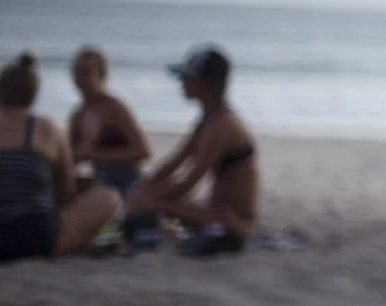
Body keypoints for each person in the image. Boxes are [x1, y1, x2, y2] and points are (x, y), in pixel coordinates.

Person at [127, 45, 259, 254]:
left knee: (156, 203)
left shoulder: (222, 125)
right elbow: (175, 160)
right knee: (152, 191)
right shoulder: (209, 118)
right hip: (217, 209)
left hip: (234, 220)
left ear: (206, 84)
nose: (182, 83)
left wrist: (155, 202)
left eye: (187, 78)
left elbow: (192, 179)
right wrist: (146, 186)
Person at [0, 52, 122, 262]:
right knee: (108, 197)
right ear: (34, 95)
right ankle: (80, 241)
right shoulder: (46, 129)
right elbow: (67, 191)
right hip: (36, 237)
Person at [67, 47, 151, 200]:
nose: (80, 78)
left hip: (127, 181)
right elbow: (71, 159)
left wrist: (94, 155)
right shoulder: (78, 114)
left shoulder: (114, 108)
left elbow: (142, 152)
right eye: (76, 71)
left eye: (86, 72)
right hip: (101, 180)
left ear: (101, 74)